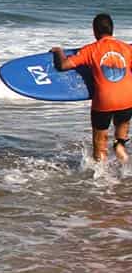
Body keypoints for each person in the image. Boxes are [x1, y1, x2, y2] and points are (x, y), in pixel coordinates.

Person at [52, 13, 132, 163]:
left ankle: (101, 180)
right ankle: (121, 152)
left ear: (94, 31)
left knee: (100, 143)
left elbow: (63, 66)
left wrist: (59, 52)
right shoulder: (127, 48)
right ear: (112, 30)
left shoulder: (90, 50)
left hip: (104, 100)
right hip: (128, 98)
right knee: (121, 132)